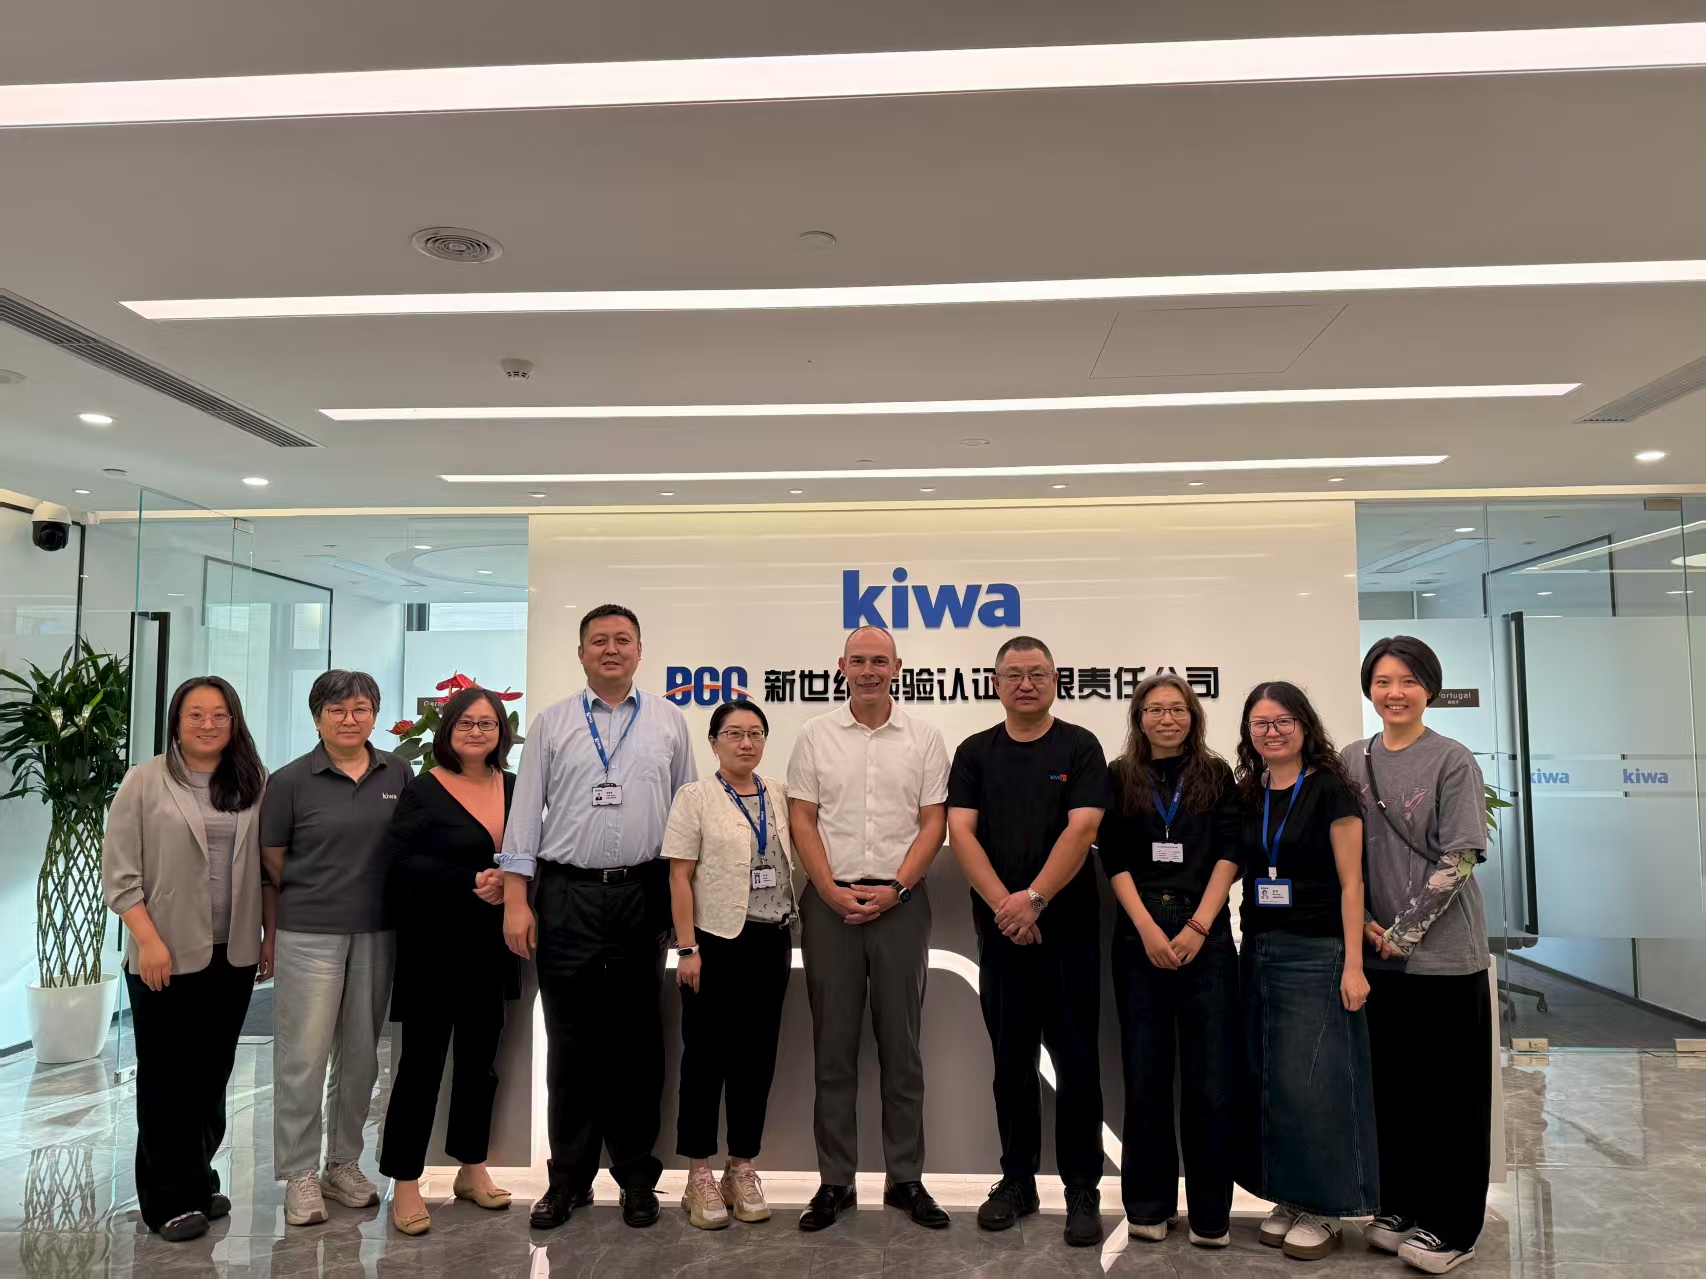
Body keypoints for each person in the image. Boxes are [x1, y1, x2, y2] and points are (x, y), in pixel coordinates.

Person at [498, 604, 696, 1230]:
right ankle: (569, 1178)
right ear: (581, 652)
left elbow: (687, 818)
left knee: (639, 1040)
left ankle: (637, 1177)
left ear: (640, 651)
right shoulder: (553, 723)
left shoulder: (669, 721)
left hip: (643, 893)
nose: (611, 649)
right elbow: (525, 815)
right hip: (567, 894)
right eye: (599, 640)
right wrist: (516, 900)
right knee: (571, 1041)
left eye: (623, 640)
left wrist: (686, 912)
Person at [786, 625, 951, 1233]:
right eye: (859, 660)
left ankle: (905, 1178)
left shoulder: (924, 737)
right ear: (842, 667)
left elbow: (933, 822)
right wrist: (827, 888)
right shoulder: (815, 734)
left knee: (901, 1050)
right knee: (833, 1048)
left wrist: (898, 888)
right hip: (829, 903)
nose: (869, 670)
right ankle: (836, 1181)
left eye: (880, 661)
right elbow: (802, 817)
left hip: (900, 903)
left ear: (897, 668)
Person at [946, 636, 1108, 1248]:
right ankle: (1017, 1182)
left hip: (1068, 935)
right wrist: (1006, 908)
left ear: (1055, 680)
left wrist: (1033, 899)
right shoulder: (974, 752)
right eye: (1013, 674)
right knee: (1010, 1063)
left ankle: (1083, 1189)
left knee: (1077, 1064)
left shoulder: (1080, 747)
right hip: (1002, 935)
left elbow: (1083, 827)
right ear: (995, 683)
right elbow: (962, 833)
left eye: (1037, 673)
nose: (1025, 684)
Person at [102, 676, 272, 1243]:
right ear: (176, 721)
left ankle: (199, 1180)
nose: (208, 724)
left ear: (234, 722)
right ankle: (165, 1200)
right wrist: (148, 940)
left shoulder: (252, 779)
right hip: (165, 952)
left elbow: (266, 870)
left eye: (219, 714)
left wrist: (267, 935)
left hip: (234, 951)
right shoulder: (145, 780)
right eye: (195, 714)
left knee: (211, 1073)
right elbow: (120, 875)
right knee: (166, 1077)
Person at [1344, 636, 1492, 1277]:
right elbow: (1343, 854)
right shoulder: (1352, 759)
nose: (1394, 693)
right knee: (1395, 1090)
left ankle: (1454, 1226)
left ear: (1429, 687)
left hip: (1444, 959)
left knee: (1449, 1094)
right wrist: (1366, 927)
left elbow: (1460, 856)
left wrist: (1402, 933)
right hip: (1376, 957)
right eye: (1383, 681)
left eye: (1407, 681)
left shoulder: (1451, 758)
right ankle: (1401, 1206)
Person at [261, 670, 414, 1227]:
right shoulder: (289, 781)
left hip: (377, 931)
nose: (349, 719)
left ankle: (342, 1164)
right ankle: (299, 1173)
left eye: (360, 709)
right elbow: (273, 859)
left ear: (374, 714)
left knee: (360, 1055)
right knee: (303, 1056)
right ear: (317, 717)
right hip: (310, 932)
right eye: (337, 710)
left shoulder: (397, 771)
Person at [1232, 681, 1377, 1261]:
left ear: (1304, 725)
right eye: (1261, 724)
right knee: (1275, 1081)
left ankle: (1326, 1207)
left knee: (1317, 1082)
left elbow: (1352, 882)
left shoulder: (1330, 791)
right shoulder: (1251, 791)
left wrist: (1353, 965)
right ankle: (1291, 1197)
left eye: (1283, 721)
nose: (1272, 732)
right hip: (1259, 949)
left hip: (1318, 951)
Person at [1097, 672, 1241, 1249]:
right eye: (1155, 709)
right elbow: (1113, 856)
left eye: (1177, 709)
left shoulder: (1216, 774)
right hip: (1140, 937)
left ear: (1193, 716)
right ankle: (1148, 1207)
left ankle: (1210, 1215)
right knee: (1146, 1077)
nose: (1167, 719)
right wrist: (1148, 930)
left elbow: (1230, 852)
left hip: (1205, 935)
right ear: (1139, 718)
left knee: (1211, 1082)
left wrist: (1199, 926)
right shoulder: (1119, 775)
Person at [378, 686, 520, 1236]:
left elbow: (531, 852)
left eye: (487, 724)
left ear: (501, 732)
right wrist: (468, 879)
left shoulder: (514, 786)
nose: (477, 732)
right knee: (421, 1066)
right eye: (466, 723)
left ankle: (471, 1166)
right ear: (448, 730)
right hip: (432, 944)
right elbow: (396, 860)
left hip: (491, 944)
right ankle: (405, 1179)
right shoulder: (425, 788)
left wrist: (509, 882)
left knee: (480, 1064)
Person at [663, 700, 796, 1231]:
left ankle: (741, 1167)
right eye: (734, 733)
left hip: (771, 940)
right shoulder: (695, 797)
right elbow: (679, 876)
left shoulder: (780, 794)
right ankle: (698, 1173)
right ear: (714, 741)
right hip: (713, 944)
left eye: (755, 733)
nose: (746, 743)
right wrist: (687, 948)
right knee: (704, 1060)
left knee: (756, 1060)